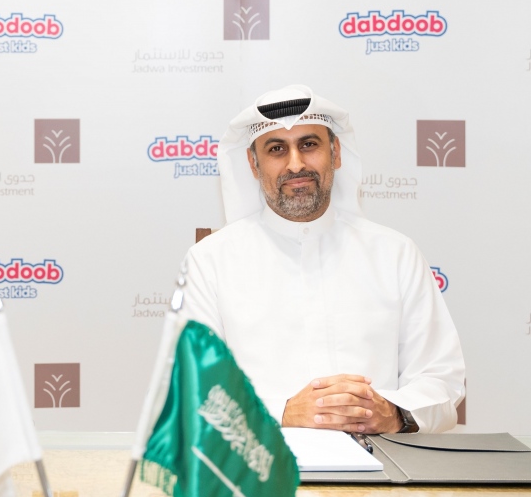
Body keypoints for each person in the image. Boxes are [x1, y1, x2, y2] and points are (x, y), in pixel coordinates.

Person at [183, 85, 465, 434]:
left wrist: (393, 413)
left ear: (336, 153)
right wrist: (283, 412)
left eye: (309, 144)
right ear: (253, 164)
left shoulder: (395, 254)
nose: (296, 164)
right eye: (276, 149)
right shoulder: (210, 261)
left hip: (379, 464)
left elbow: (441, 378)